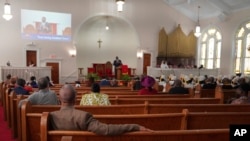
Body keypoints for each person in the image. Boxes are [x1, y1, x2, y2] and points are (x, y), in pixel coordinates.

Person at [49, 84, 152, 135]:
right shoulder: (83, 117)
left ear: (59, 99)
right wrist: (135, 126)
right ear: (75, 99)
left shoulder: (50, 117)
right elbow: (107, 130)